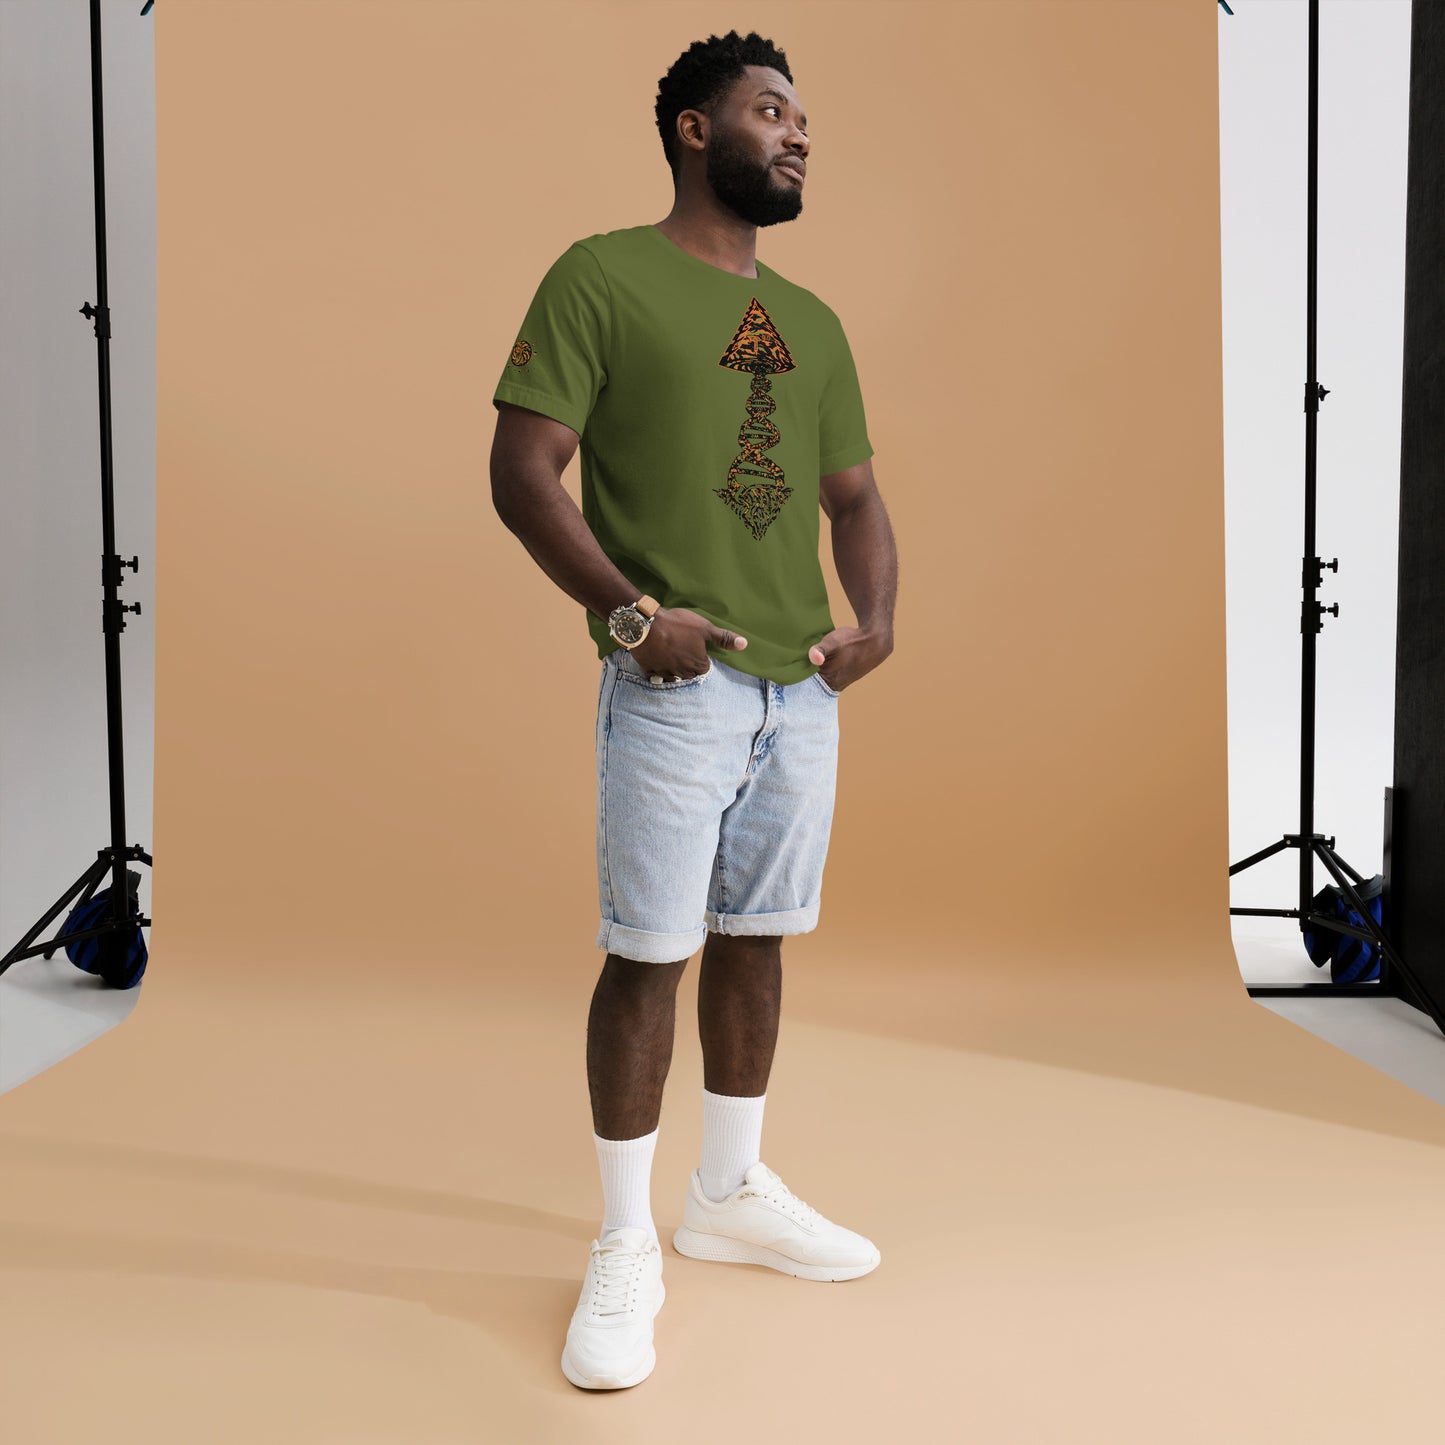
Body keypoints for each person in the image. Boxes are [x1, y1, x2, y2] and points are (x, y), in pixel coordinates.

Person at [489, 28, 898, 1391]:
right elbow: (523, 466)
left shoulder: (819, 325)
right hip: (675, 682)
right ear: (689, 130)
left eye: (802, 120)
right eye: (768, 112)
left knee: (759, 938)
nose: (794, 135)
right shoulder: (601, 276)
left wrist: (874, 621)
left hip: (799, 691)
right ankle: (623, 1242)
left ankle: (725, 1194)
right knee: (648, 951)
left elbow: (850, 496)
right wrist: (624, 614)